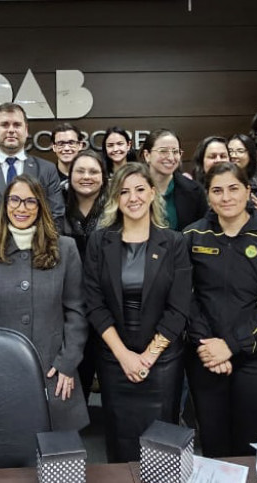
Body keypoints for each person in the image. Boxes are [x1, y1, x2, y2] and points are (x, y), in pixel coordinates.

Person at [183, 162, 257, 456]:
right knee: (214, 445)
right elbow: (186, 298)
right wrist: (208, 345)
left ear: (248, 191)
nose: (226, 197)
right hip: (207, 355)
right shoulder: (191, 236)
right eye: (217, 190)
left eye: (233, 188)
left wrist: (230, 346)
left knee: (255, 447)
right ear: (208, 195)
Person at [83, 162, 191, 462]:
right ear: (115, 198)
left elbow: (179, 308)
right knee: (120, 442)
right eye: (124, 191)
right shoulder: (99, 241)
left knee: (161, 445)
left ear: (153, 193)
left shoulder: (174, 242)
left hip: (162, 360)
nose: (133, 198)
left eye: (140, 189)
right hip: (113, 359)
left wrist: (147, 358)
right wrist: (124, 356)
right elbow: (94, 303)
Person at [0, 174, 89, 431]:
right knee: (8, 445)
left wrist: (67, 363)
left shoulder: (65, 248)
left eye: (30, 201)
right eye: (14, 200)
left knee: (56, 449)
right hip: (3, 370)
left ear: (41, 206)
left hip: (55, 370)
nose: (21, 208)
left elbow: (76, 312)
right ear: (5, 205)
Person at [0, 102, 64, 251]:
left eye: (17, 125)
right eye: (4, 125)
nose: (11, 130)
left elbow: (56, 216)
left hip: (38, 256)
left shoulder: (47, 170)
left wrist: (35, 251)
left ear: (26, 130)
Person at [63, 149, 108, 400]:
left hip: (105, 300)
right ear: (70, 175)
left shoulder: (115, 207)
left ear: (103, 176)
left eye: (93, 171)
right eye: (80, 171)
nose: (86, 176)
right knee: (75, 374)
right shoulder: (57, 205)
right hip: (68, 302)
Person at [141, 128, 207, 231]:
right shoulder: (133, 190)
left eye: (175, 152)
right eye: (163, 151)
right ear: (147, 155)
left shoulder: (195, 191)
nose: (171, 158)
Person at [228, 133, 257, 218]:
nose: (233, 155)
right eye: (230, 151)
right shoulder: (215, 183)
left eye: (240, 151)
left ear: (250, 155)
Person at [51, 122, 84, 192]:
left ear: (80, 145)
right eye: (60, 143)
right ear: (54, 147)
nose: (66, 148)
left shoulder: (88, 175)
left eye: (71, 143)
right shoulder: (47, 177)